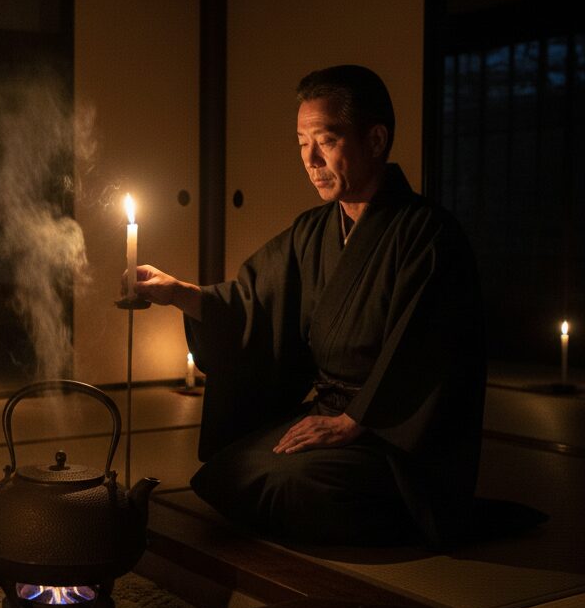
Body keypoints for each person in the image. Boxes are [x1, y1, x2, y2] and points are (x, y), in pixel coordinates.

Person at [133, 66, 485, 549]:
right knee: (226, 470)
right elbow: (252, 305)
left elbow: (424, 354)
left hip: (393, 435)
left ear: (376, 139)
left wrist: (351, 422)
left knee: (294, 485)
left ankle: (401, 511)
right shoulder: (312, 231)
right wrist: (178, 292)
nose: (311, 159)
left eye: (326, 141)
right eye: (302, 143)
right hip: (329, 413)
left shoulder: (427, 235)